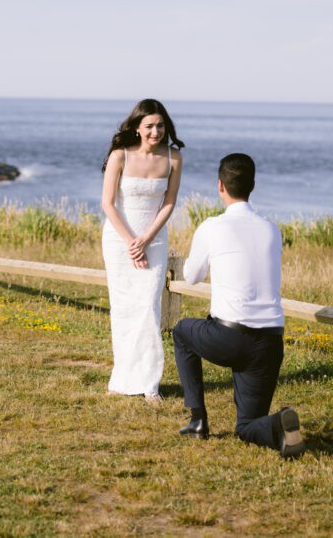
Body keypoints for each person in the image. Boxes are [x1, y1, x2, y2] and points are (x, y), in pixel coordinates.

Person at [172, 153, 305, 458]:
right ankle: (277, 426)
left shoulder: (212, 226)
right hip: (270, 343)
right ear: (252, 185)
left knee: (181, 332)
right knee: (246, 426)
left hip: (228, 337)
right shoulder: (272, 229)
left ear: (220, 185)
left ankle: (197, 420)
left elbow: (191, 276)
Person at [101, 99, 184, 402]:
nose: (156, 131)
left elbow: (169, 203)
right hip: (119, 239)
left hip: (155, 239)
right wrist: (130, 242)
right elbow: (108, 203)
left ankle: (150, 383)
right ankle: (123, 377)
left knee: (149, 306)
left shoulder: (174, 158)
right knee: (124, 308)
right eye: (149, 125)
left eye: (160, 125)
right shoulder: (119, 156)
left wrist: (146, 239)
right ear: (137, 127)